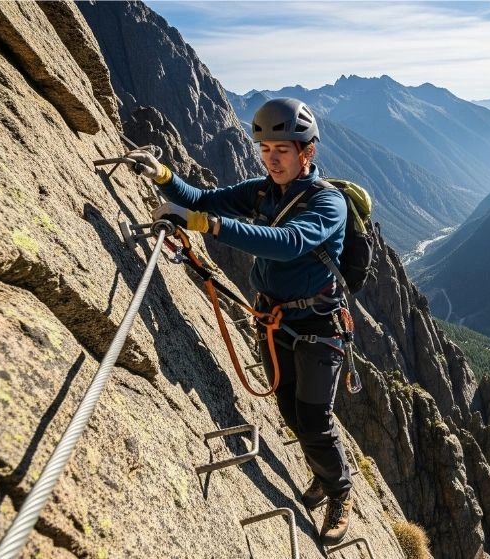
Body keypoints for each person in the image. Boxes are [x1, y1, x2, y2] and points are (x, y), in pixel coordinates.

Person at [127, 98, 353, 545]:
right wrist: (162, 175)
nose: (271, 157)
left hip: (321, 329)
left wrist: (204, 225)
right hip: (274, 320)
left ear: (306, 151)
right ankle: (320, 472)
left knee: (314, 416)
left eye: (282, 149)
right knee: (289, 409)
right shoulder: (263, 191)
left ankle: (340, 491)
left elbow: (288, 242)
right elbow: (205, 198)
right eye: (266, 148)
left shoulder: (329, 205)